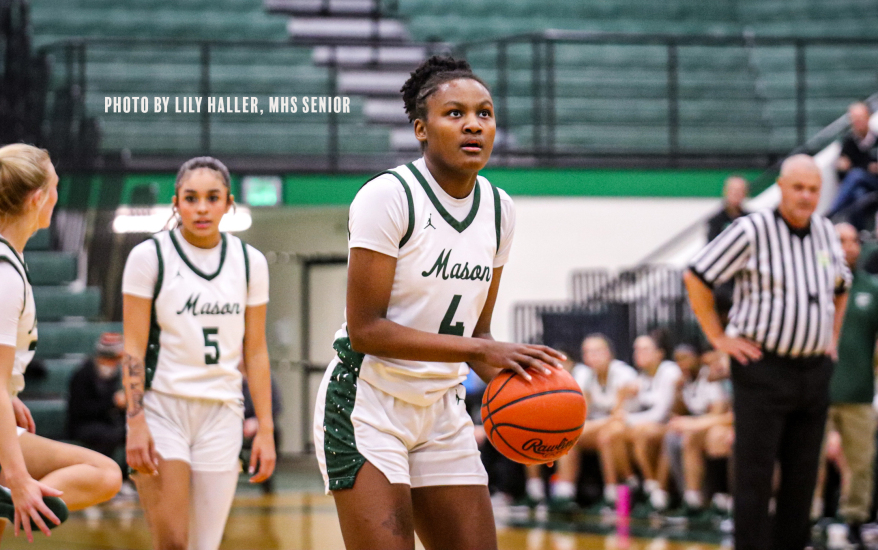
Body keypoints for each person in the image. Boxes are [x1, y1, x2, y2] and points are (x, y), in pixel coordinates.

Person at [312, 56, 564, 550]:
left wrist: (539, 411)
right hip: (368, 404)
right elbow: (365, 329)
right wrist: (478, 352)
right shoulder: (389, 196)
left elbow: (481, 335)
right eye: (455, 113)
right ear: (421, 128)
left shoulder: (499, 209)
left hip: (443, 409)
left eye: (485, 113)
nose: (473, 123)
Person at [685, 154, 851, 550]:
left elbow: (840, 288)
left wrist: (832, 338)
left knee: (802, 477)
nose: (806, 196)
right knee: (755, 477)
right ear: (780, 187)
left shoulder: (827, 232)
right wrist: (719, 338)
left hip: (813, 371)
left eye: (813, 189)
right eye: (799, 187)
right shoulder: (751, 229)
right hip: (763, 369)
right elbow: (696, 275)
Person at [122, 156, 276, 550]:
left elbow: (255, 352)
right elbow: (134, 347)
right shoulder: (149, 257)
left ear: (229, 202)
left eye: (213, 197)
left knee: (204, 545)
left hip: (223, 411)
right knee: (173, 541)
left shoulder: (250, 262)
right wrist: (135, 421)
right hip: (163, 408)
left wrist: (266, 429)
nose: (202, 208)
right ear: (176, 203)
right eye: (191, 198)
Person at [0, 143, 121, 542]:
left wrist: (10, 392)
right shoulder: (5, 275)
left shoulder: (10, 261)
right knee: (104, 473)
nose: (57, 197)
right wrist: (19, 480)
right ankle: (9, 493)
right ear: (38, 199)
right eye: (55, 188)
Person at [530, 334, 638, 511]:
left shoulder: (622, 373)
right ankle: (565, 493)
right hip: (604, 426)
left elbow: (618, 415)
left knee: (606, 436)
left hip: (631, 424)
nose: (592, 356)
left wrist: (583, 427)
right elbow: (583, 413)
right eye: (587, 352)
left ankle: (614, 494)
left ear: (609, 353)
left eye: (597, 351)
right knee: (570, 438)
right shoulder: (587, 377)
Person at [820, 222, 878, 545]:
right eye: (842, 240)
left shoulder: (871, 288)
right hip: (815, 392)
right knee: (808, 463)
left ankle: (855, 520)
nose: (850, 246)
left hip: (858, 392)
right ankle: (807, 519)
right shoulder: (814, 286)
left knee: (860, 463)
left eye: (855, 240)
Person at [603, 330, 681, 511]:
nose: (638, 353)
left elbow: (660, 414)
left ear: (660, 353)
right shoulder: (642, 376)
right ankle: (634, 483)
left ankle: (657, 491)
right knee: (612, 433)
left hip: (671, 423)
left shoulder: (669, 371)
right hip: (651, 425)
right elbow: (620, 412)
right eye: (636, 349)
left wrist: (627, 418)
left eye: (645, 349)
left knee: (640, 434)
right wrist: (622, 397)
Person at [660, 346, 731, 517]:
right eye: (678, 360)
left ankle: (721, 499)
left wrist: (693, 424)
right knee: (674, 437)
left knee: (712, 438)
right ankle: (691, 499)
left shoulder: (711, 377)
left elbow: (721, 413)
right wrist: (677, 392)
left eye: (685, 358)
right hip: (707, 425)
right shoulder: (686, 381)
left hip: (719, 426)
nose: (681, 363)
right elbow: (677, 411)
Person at [66, 332, 126, 473]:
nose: (113, 363)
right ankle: (104, 475)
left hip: (109, 423)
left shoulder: (119, 375)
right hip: (83, 425)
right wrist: (112, 402)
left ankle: (129, 477)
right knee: (108, 436)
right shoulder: (83, 374)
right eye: (110, 358)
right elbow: (79, 410)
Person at [827, 103, 878, 225]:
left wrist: (854, 167)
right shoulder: (848, 142)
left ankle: (832, 213)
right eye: (854, 119)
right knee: (858, 193)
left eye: (860, 118)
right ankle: (858, 232)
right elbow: (842, 175)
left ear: (868, 117)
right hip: (861, 188)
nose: (857, 122)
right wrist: (843, 168)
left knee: (856, 174)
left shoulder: (876, 140)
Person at [241, 363, 282, 494]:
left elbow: (276, 408)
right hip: (232, 426)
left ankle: (267, 480)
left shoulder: (265, 377)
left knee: (274, 432)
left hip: (256, 426)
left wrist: (258, 423)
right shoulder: (226, 378)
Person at [707, 176, 750, 242]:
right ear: (726, 191)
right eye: (733, 190)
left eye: (740, 191)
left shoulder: (749, 218)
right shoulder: (716, 221)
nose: (736, 194)